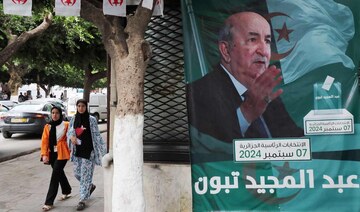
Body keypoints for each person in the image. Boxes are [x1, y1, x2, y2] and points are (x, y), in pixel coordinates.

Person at [187, 11, 304, 143]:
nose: (264, 51)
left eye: (267, 41)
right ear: (226, 50)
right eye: (252, 40)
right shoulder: (196, 95)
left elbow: (295, 138)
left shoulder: (265, 92)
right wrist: (246, 113)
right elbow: (213, 152)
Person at [67, 99, 106, 211]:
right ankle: (90, 186)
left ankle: (82, 200)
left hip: (89, 152)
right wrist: (72, 137)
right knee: (77, 174)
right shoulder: (74, 119)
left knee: (85, 176)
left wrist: (104, 152)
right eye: (79, 106)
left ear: (86, 107)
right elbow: (70, 131)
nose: (81, 108)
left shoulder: (92, 120)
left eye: (83, 106)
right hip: (77, 151)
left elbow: (97, 136)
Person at [40, 106, 72, 211]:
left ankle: (49, 202)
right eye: (53, 113)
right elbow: (44, 141)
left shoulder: (66, 125)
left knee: (55, 175)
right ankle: (67, 190)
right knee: (59, 173)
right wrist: (44, 154)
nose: (54, 115)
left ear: (60, 114)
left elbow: (73, 135)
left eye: (57, 113)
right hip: (52, 154)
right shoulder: (48, 126)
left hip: (62, 153)